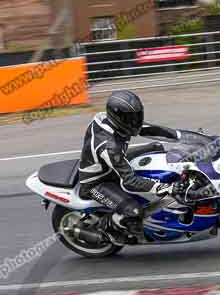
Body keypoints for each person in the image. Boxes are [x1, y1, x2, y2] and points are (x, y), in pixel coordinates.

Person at [78, 89, 184, 243]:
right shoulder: (109, 146)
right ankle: (105, 231)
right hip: (98, 182)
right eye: (131, 118)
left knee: (156, 147)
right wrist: (167, 188)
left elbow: (149, 129)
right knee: (135, 211)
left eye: (137, 116)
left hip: (113, 163)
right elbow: (129, 181)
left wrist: (181, 136)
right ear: (118, 117)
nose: (135, 121)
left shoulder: (117, 123)